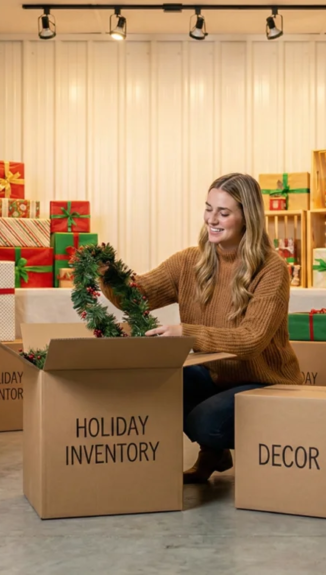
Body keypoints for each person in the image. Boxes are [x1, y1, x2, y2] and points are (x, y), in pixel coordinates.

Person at [99, 173, 304, 484]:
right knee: (158, 378)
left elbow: (251, 341)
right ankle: (215, 453)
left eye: (224, 213)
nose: (212, 219)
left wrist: (187, 333)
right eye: (209, 209)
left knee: (206, 422)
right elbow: (137, 297)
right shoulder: (189, 261)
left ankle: (220, 445)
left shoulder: (271, 269)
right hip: (217, 375)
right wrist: (107, 272)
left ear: (247, 218)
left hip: (265, 381)